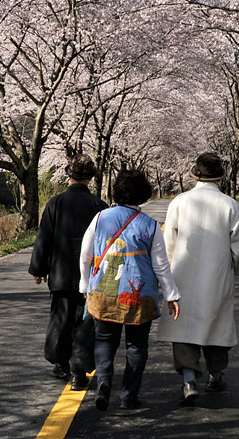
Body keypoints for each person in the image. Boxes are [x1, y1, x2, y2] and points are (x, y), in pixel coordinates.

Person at [79, 169, 181, 411]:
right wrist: (172, 295)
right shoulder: (151, 225)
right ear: (143, 194)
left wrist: (84, 285)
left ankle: (103, 381)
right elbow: (161, 265)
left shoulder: (100, 218)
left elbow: (86, 255)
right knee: (137, 345)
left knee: (105, 339)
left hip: (104, 293)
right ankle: (128, 396)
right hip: (140, 296)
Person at [155, 152, 239, 405]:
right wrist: (234, 270)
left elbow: (168, 243)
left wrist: (166, 278)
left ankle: (188, 379)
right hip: (217, 274)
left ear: (195, 174)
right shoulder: (231, 206)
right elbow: (238, 249)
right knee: (217, 322)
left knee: (183, 324)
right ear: (220, 177)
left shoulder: (180, 202)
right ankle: (215, 375)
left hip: (182, 273)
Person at [28, 154, 108, 391]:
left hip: (61, 273)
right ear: (90, 177)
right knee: (84, 322)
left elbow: (44, 238)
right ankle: (79, 370)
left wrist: (39, 269)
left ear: (68, 174)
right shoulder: (99, 207)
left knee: (60, 319)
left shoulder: (55, 203)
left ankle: (61, 363)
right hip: (92, 276)